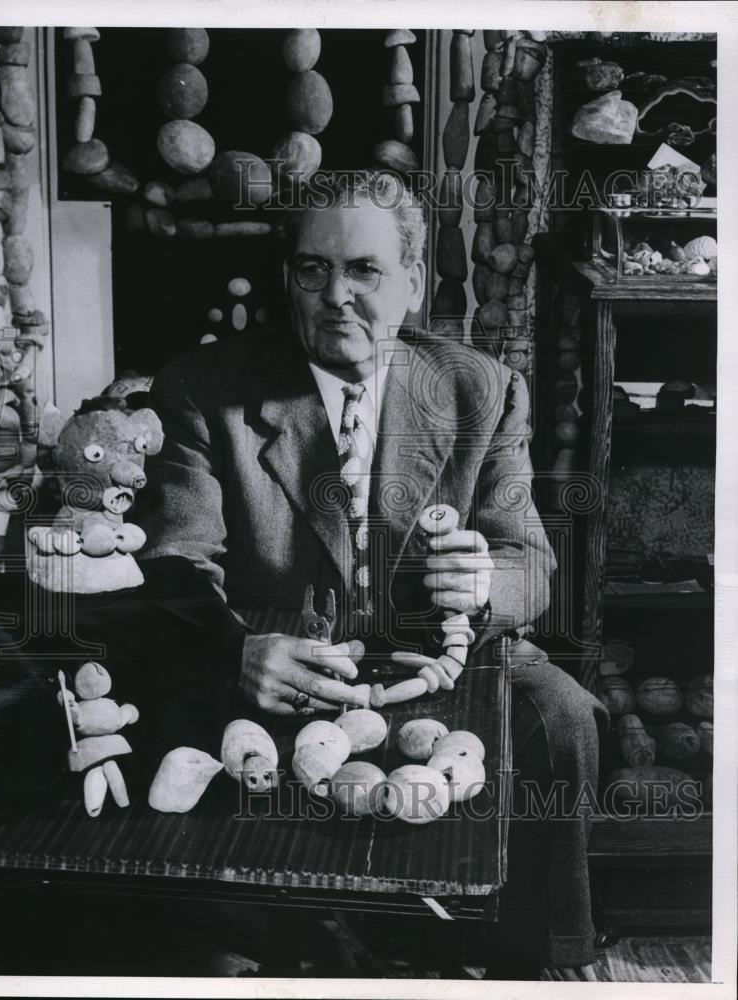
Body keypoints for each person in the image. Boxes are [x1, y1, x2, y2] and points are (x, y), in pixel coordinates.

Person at [138, 170, 608, 978]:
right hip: (286, 659)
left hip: (444, 657)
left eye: (365, 270)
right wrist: (232, 651)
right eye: (313, 269)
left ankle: (527, 962)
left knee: (562, 719)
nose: (335, 295)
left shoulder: (481, 390)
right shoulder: (202, 390)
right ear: (291, 277)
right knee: (178, 722)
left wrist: (486, 581)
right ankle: (305, 955)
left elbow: (532, 560)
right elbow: (176, 561)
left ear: (415, 283)